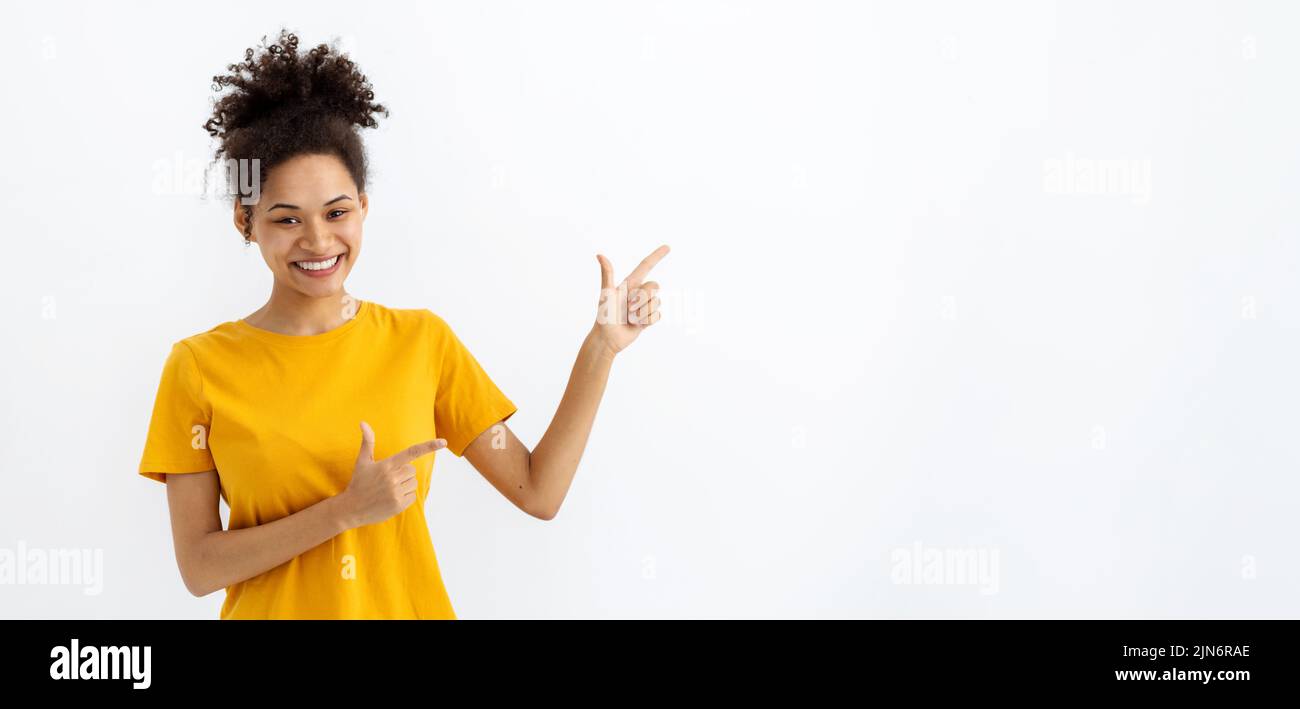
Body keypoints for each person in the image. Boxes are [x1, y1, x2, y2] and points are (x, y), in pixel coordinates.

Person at [138, 29, 669, 619]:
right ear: (246, 219)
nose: (318, 241)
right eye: (286, 219)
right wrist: (345, 510)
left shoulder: (422, 344)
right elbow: (198, 568)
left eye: (337, 212)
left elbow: (538, 491)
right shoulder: (198, 367)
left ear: (363, 207)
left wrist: (602, 348)